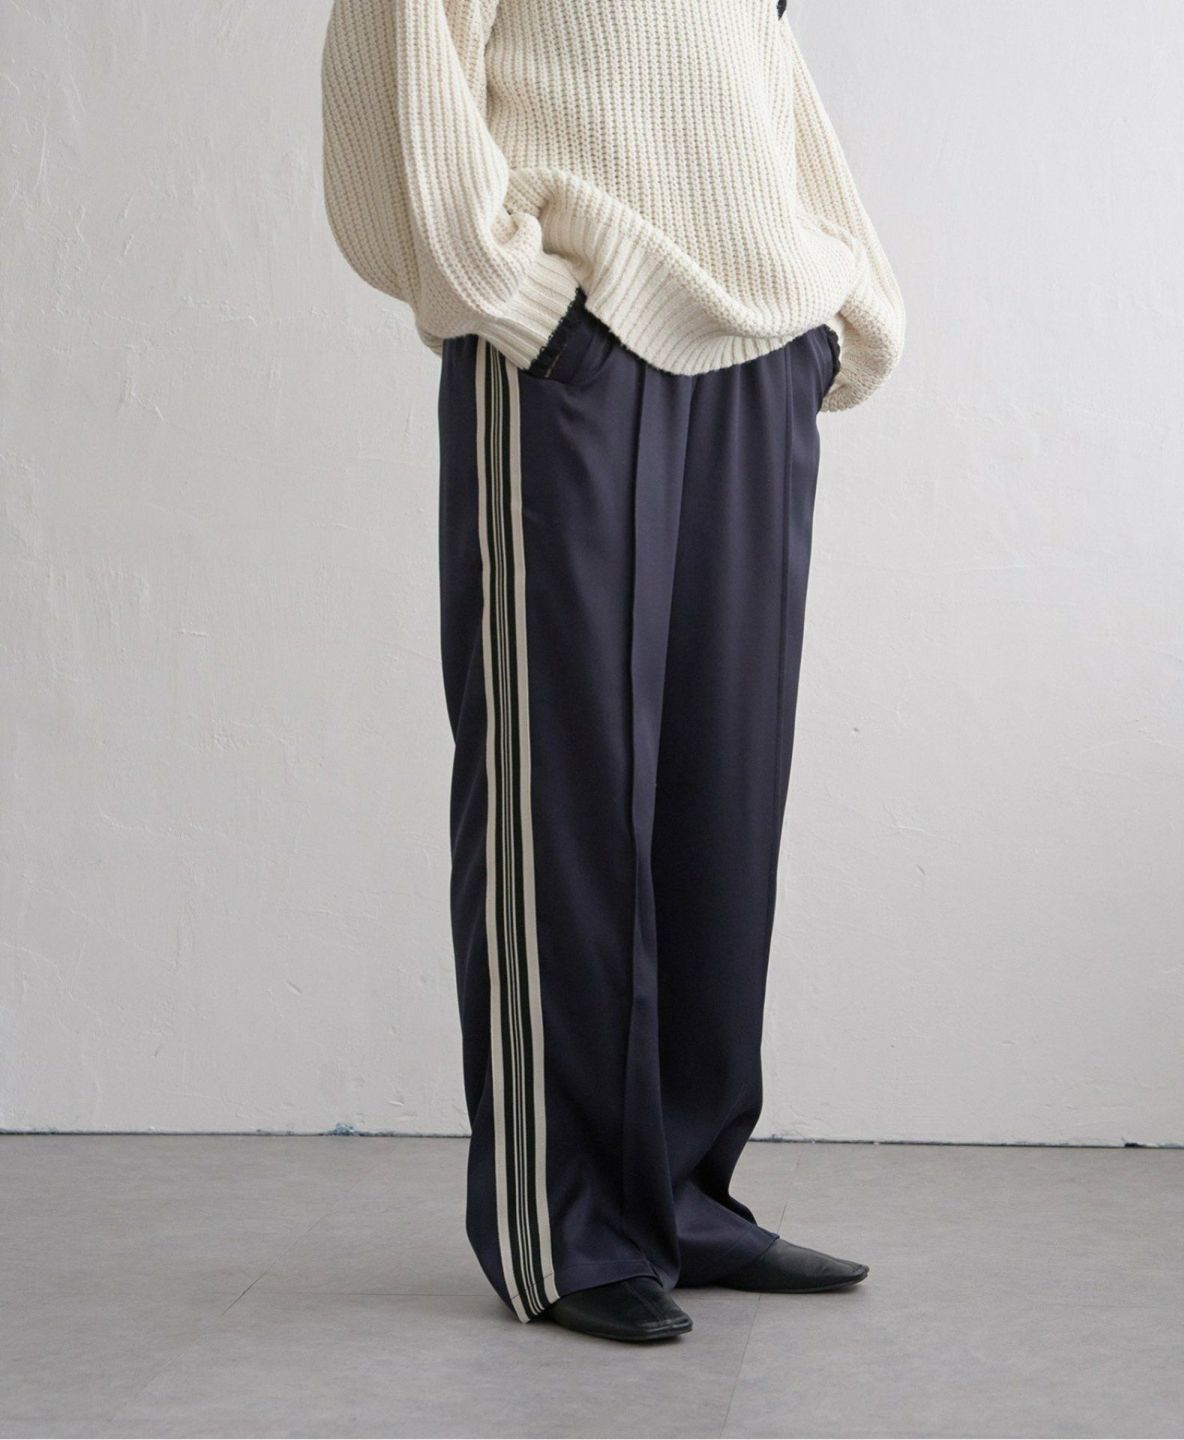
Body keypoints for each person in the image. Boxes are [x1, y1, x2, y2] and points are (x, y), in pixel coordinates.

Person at [321, 0, 904, 1344]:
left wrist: (843, 308)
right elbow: (397, 71)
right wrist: (517, 299)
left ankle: (684, 1199)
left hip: (758, 352)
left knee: (722, 797)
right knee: (564, 793)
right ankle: (570, 1226)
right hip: (576, 349)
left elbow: (759, 76)